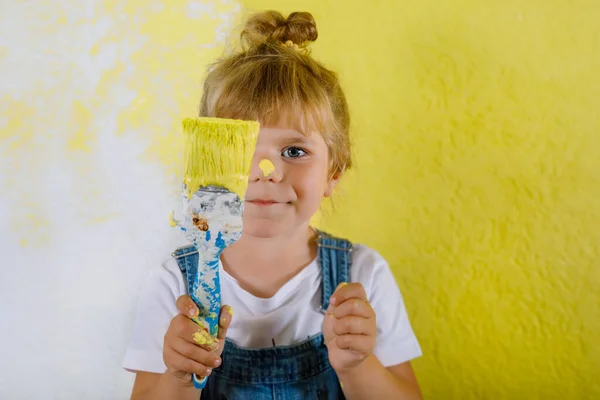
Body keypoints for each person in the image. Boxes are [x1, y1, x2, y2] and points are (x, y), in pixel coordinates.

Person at [124, 10, 422, 399]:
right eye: (243, 149)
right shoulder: (173, 285)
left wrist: (358, 364)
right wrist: (178, 377)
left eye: (294, 150)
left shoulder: (363, 278)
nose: (266, 172)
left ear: (334, 171)